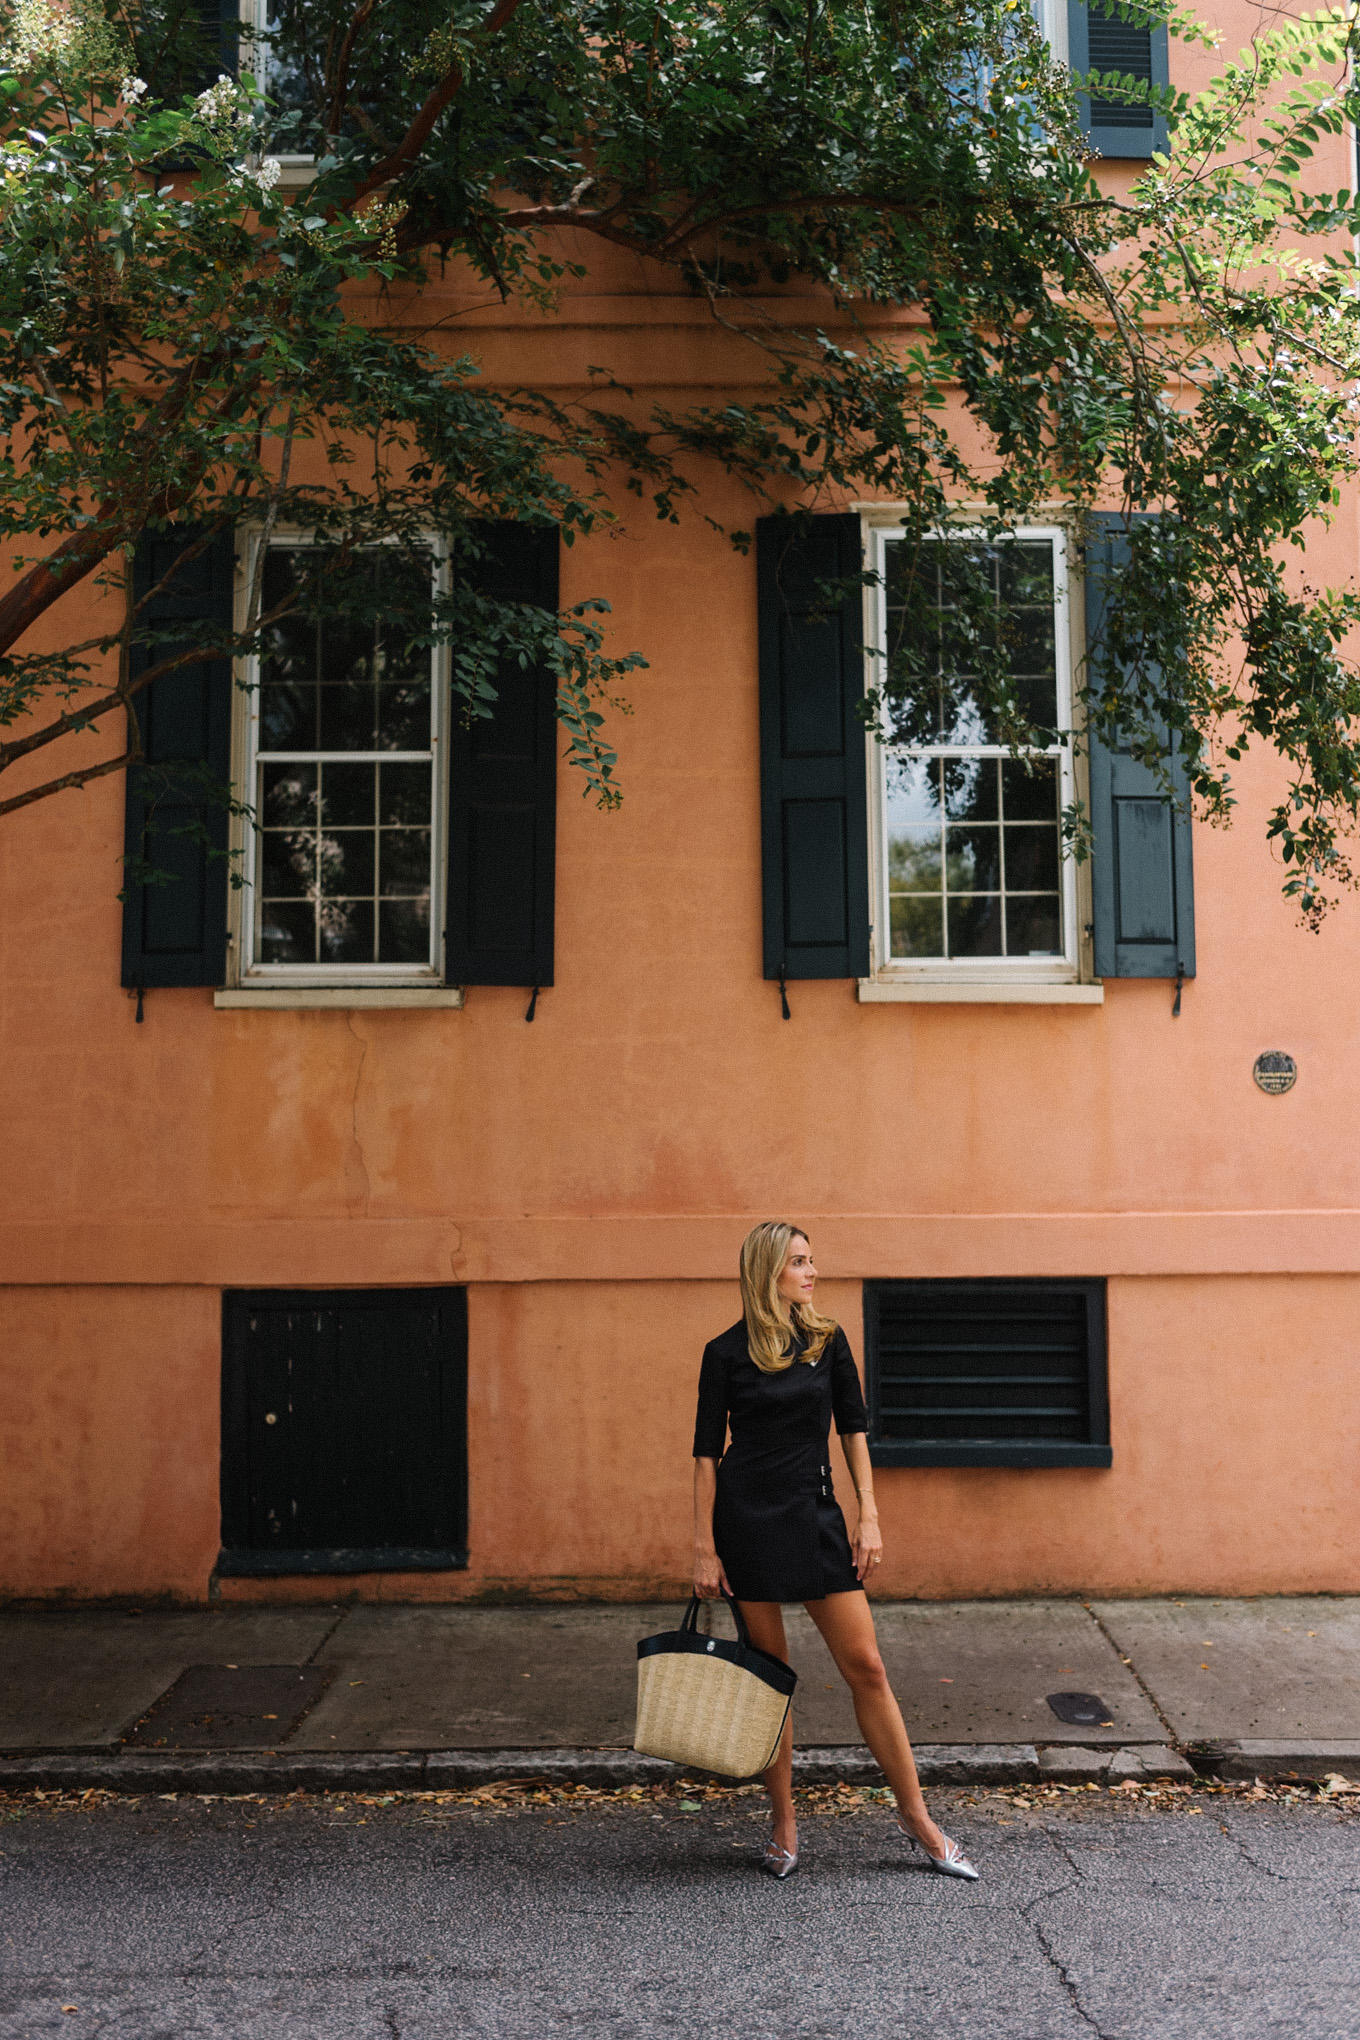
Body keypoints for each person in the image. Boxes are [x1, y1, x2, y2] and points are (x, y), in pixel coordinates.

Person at [692, 1220, 979, 1882]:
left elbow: (854, 1429)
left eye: (812, 1260)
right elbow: (706, 1456)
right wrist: (704, 1547)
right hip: (748, 1523)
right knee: (771, 1680)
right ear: (768, 1272)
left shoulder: (827, 1341)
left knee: (868, 1665)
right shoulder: (725, 1353)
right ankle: (785, 1821)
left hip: (817, 1516)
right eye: (798, 1262)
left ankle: (917, 1818)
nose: (811, 1271)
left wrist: (868, 1516)